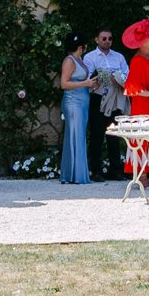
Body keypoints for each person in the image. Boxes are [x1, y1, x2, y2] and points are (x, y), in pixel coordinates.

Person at [80, 28, 128, 180]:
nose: (107, 41)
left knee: (114, 135)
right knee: (96, 136)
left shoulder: (118, 56)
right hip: (98, 98)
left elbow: (127, 73)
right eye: (104, 38)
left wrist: (119, 79)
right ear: (97, 40)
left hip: (114, 97)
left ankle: (116, 170)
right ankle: (96, 171)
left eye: (109, 38)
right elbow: (86, 76)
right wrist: (97, 79)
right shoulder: (90, 57)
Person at [59, 34, 92, 184]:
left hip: (82, 101)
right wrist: (84, 83)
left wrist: (91, 84)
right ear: (81, 47)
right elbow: (64, 84)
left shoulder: (80, 60)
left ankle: (77, 173)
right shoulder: (69, 61)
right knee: (74, 135)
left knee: (80, 136)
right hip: (73, 102)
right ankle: (73, 174)